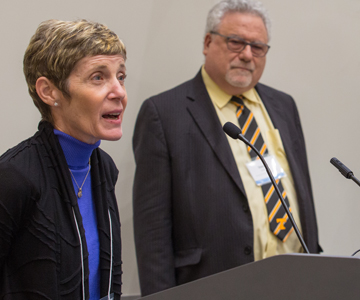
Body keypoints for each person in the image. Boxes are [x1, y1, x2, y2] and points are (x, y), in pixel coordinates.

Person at [133, 0, 321, 296]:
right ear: (208, 42)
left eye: (258, 47)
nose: (247, 55)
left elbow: (302, 196)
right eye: (236, 42)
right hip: (214, 286)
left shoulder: (284, 106)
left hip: (295, 284)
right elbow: (152, 234)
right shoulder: (164, 114)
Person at [0, 19, 127, 300]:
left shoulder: (103, 167)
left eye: (120, 76)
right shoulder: (14, 177)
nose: (119, 92)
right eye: (98, 77)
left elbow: (108, 283)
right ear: (49, 91)